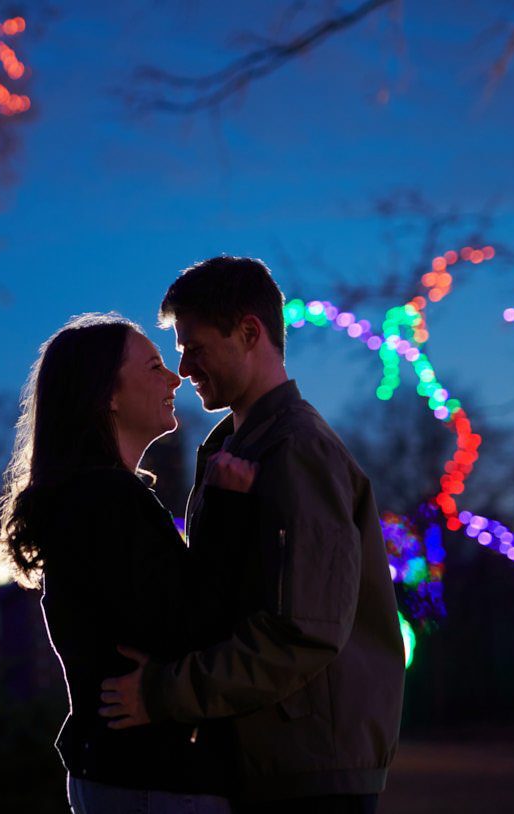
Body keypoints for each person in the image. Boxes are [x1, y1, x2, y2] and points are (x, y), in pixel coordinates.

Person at [99, 256, 405, 814]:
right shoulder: (232, 447)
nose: (183, 366)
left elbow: (303, 632)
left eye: (195, 346)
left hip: (309, 773)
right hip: (273, 761)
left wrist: (165, 693)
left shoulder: (297, 451)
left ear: (248, 333)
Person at [0, 312, 247, 813]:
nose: (174, 376)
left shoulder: (86, 497)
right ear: (107, 395)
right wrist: (233, 512)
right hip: (154, 775)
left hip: (116, 769)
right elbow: (200, 624)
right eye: (153, 367)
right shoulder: (109, 502)